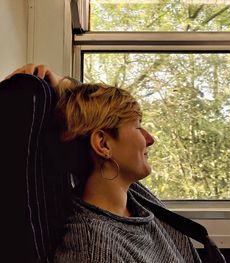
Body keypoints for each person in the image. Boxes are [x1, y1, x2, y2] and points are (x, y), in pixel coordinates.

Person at [5, 64, 209, 263]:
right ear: (103, 144)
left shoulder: (134, 198)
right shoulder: (94, 250)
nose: (150, 139)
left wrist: (63, 84)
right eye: (138, 127)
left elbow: (87, 120)